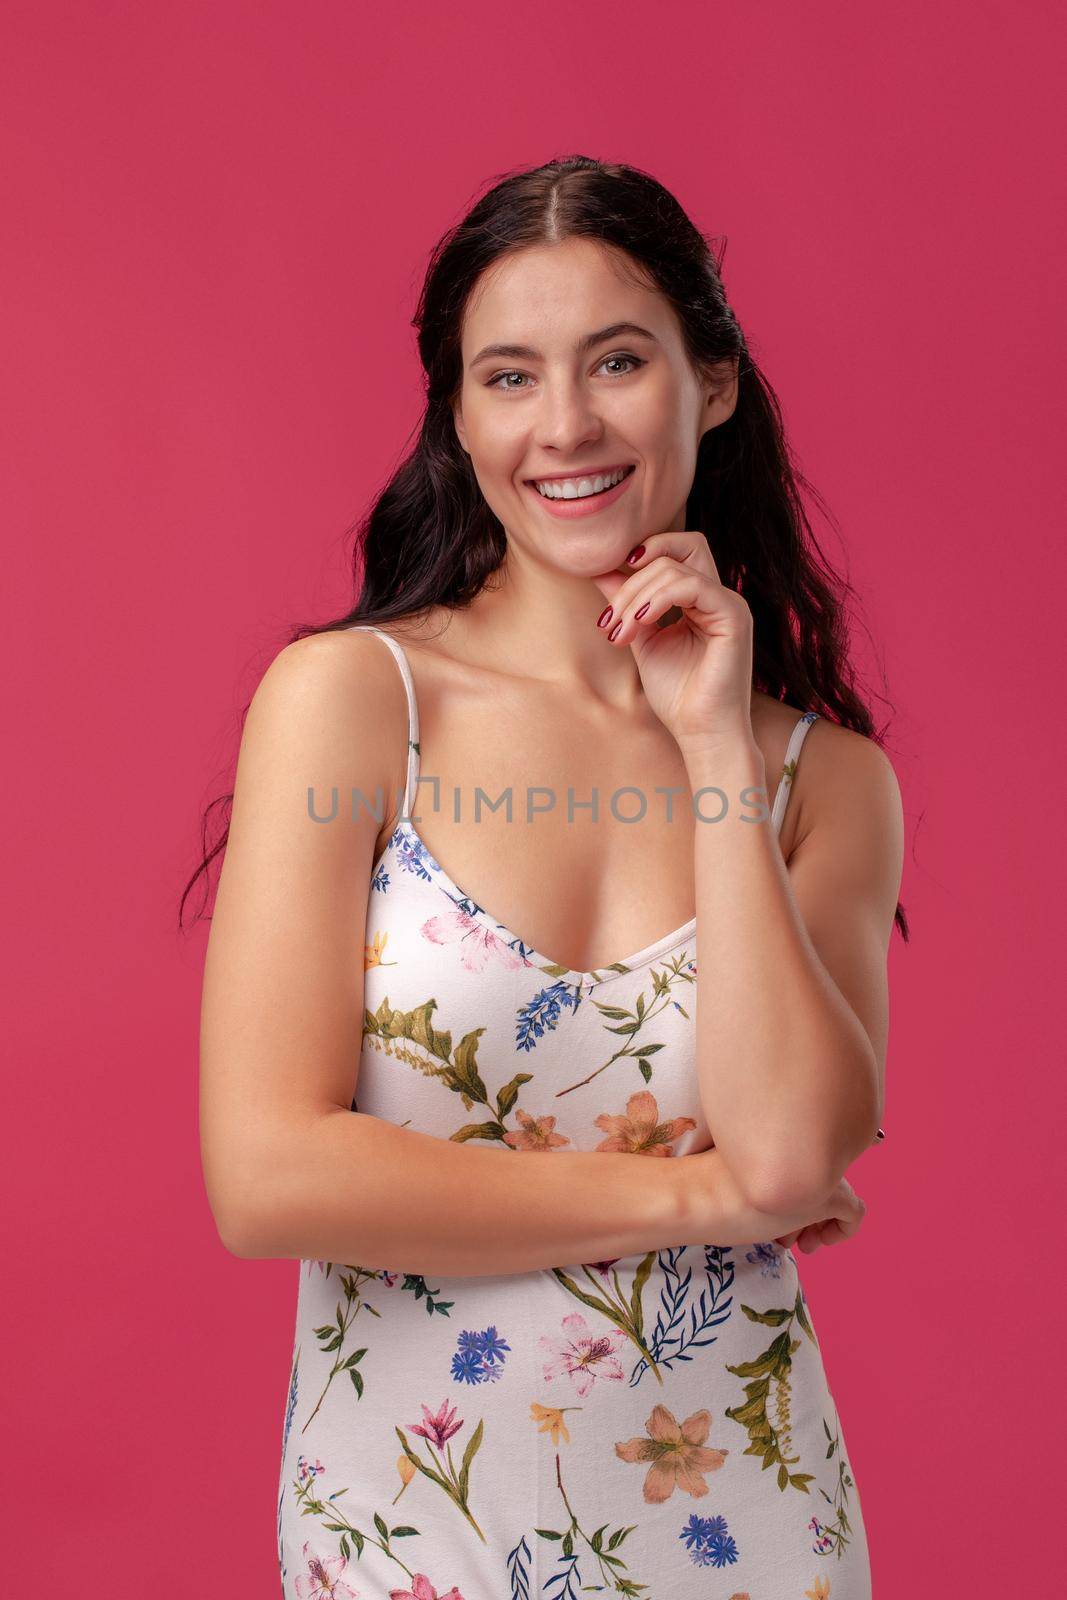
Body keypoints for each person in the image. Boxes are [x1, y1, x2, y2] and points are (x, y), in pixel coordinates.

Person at [191, 155, 905, 1600]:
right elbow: (266, 1176)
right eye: (508, 377)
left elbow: (790, 1153)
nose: (566, 425)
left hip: (746, 1525)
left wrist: (715, 744)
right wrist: (698, 1204)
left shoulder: (822, 782)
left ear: (710, 382)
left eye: (619, 361)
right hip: (411, 1533)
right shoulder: (351, 703)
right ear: (457, 418)